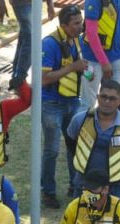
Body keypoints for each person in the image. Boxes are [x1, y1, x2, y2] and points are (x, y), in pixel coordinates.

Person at [66, 80, 120, 200]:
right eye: (104, 97)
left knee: (113, 219)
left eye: (112, 98)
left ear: (119, 101)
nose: (107, 101)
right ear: (98, 97)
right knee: (80, 218)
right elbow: (70, 142)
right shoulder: (80, 119)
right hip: (83, 182)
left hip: (115, 186)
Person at [40, 4, 87, 208]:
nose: (81, 26)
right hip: (52, 103)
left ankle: (75, 186)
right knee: (52, 150)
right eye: (76, 24)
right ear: (65, 25)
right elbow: (43, 79)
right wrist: (72, 68)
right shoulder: (49, 44)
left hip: (72, 102)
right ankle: (48, 192)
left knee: (74, 146)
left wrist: (85, 71)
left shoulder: (76, 40)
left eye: (81, 22)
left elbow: (78, 67)